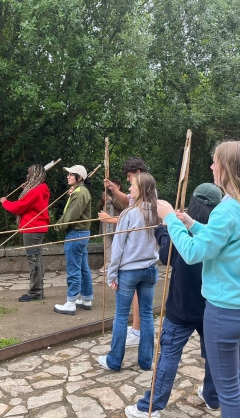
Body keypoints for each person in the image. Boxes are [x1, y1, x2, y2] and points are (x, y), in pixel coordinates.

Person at [156, 141, 240, 418]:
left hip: (225, 310)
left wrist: (170, 219)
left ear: (227, 168)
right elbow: (222, 238)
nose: (211, 166)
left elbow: (194, 252)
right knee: (233, 380)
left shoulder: (226, 208)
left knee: (228, 389)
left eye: (215, 162)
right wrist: (192, 224)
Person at [125, 183, 223, 418]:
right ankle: (212, 397)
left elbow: (166, 255)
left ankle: (150, 407)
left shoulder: (186, 230)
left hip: (182, 306)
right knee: (213, 354)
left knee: (168, 354)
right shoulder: (219, 231)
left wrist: (163, 229)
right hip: (212, 305)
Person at [97, 172, 160, 372]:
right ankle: (145, 361)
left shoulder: (129, 214)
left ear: (142, 190)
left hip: (129, 271)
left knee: (121, 316)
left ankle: (114, 361)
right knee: (147, 314)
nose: (130, 189)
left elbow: (118, 247)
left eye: (133, 186)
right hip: (150, 270)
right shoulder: (158, 213)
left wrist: (112, 274)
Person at [100, 157, 149, 346]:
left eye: (129, 177)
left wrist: (110, 219)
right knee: (138, 293)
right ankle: (138, 330)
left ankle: (136, 331)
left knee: (135, 293)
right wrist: (113, 189)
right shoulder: (140, 190)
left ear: (137, 172)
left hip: (137, 251)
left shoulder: (146, 189)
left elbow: (132, 218)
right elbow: (128, 201)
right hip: (139, 253)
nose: (128, 183)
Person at [0, 164, 50, 302]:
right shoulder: (40, 188)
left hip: (32, 228)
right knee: (37, 260)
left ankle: (35, 292)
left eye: (29, 173)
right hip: (36, 227)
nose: (27, 176)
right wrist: (27, 189)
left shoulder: (36, 191)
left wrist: (4, 202)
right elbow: (31, 202)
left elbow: (19, 207)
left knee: (34, 261)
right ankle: (38, 291)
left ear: (36, 175)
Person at [54, 165, 94, 315]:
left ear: (80, 178)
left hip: (76, 234)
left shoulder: (80, 193)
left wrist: (58, 227)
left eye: (71, 174)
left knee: (73, 269)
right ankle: (86, 298)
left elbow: (71, 215)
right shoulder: (79, 191)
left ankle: (71, 302)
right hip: (81, 233)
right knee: (83, 267)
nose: (68, 176)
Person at [96, 180, 127, 273]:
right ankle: (107, 264)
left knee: (118, 245)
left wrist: (111, 200)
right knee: (107, 246)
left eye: (115, 185)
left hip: (117, 225)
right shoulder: (108, 195)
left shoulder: (123, 196)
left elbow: (123, 207)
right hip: (106, 225)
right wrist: (103, 201)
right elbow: (98, 207)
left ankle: (119, 265)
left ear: (119, 186)